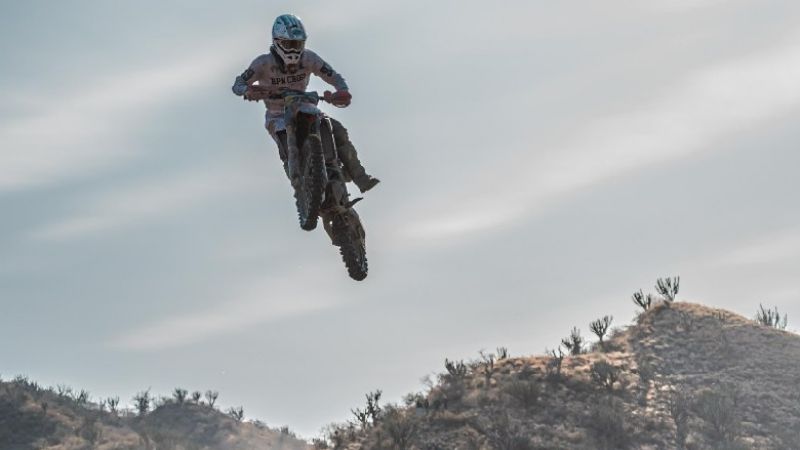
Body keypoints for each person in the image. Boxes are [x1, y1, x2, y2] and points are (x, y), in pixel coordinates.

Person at [231, 14, 379, 193]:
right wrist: (247, 90)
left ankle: (360, 178)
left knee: (337, 128)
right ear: (278, 42)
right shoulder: (263, 64)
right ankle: (300, 190)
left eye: (298, 45)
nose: (294, 50)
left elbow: (333, 75)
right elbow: (238, 83)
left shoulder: (309, 58)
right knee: (286, 141)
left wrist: (342, 90)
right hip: (277, 114)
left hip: (305, 106)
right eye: (289, 45)